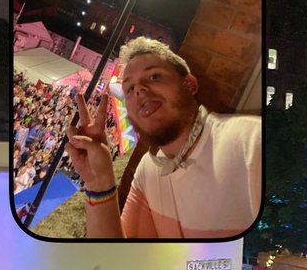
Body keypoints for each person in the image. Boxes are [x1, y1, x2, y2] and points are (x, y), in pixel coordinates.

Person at [66, 36, 261, 240]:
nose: (139, 89)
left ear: (189, 85)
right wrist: (99, 181)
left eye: (154, 77)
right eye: (129, 89)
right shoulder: (148, 169)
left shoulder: (250, 142)